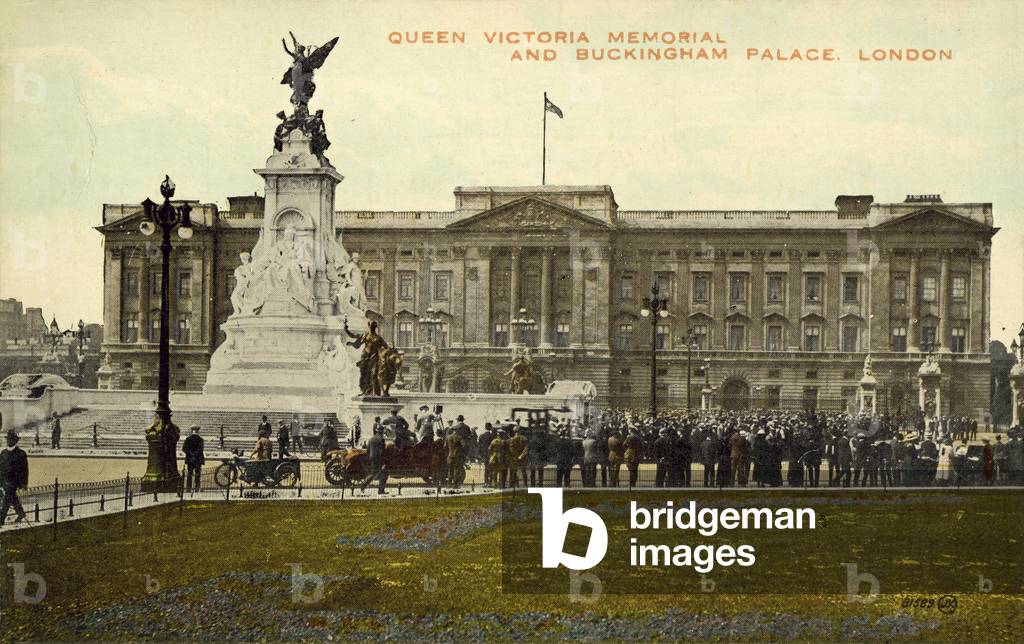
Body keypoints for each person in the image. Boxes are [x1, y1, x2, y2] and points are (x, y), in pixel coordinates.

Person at [0, 430, 28, 524]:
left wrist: (24, 483)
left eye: (11, 439)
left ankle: (1, 518)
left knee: (7, 498)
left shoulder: (21, 453)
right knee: (12, 498)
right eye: (8, 439)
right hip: (4, 481)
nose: (8, 441)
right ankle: (21, 513)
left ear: (15, 441)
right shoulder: (3, 453)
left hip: (14, 481)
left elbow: (24, 470)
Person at [360, 426, 388, 494]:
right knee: (381, 474)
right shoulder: (381, 439)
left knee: (378, 474)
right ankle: (364, 485)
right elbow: (382, 451)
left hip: (372, 458)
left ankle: (381, 490)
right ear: (382, 432)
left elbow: (368, 450)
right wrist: (384, 461)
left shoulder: (371, 439)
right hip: (378, 459)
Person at [182, 425, 205, 493]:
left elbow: (184, 449)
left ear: (191, 431)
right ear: (198, 431)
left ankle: (188, 488)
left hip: (190, 459)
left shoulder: (188, 439)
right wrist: (195, 455)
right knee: (197, 474)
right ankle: (197, 488)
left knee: (189, 474)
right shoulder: (200, 439)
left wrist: (191, 454)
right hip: (198, 459)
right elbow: (201, 449)